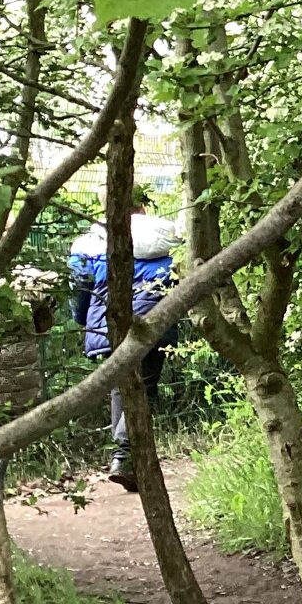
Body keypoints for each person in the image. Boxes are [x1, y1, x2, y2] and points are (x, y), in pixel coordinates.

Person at [68, 201, 179, 492]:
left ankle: (127, 463)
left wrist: (84, 321)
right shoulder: (168, 240)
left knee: (123, 387)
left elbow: (80, 286)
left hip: (105, 324)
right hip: (154, 324)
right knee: (142, 390)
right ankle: (124, 458)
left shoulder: (90, 243)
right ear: (142, 209)